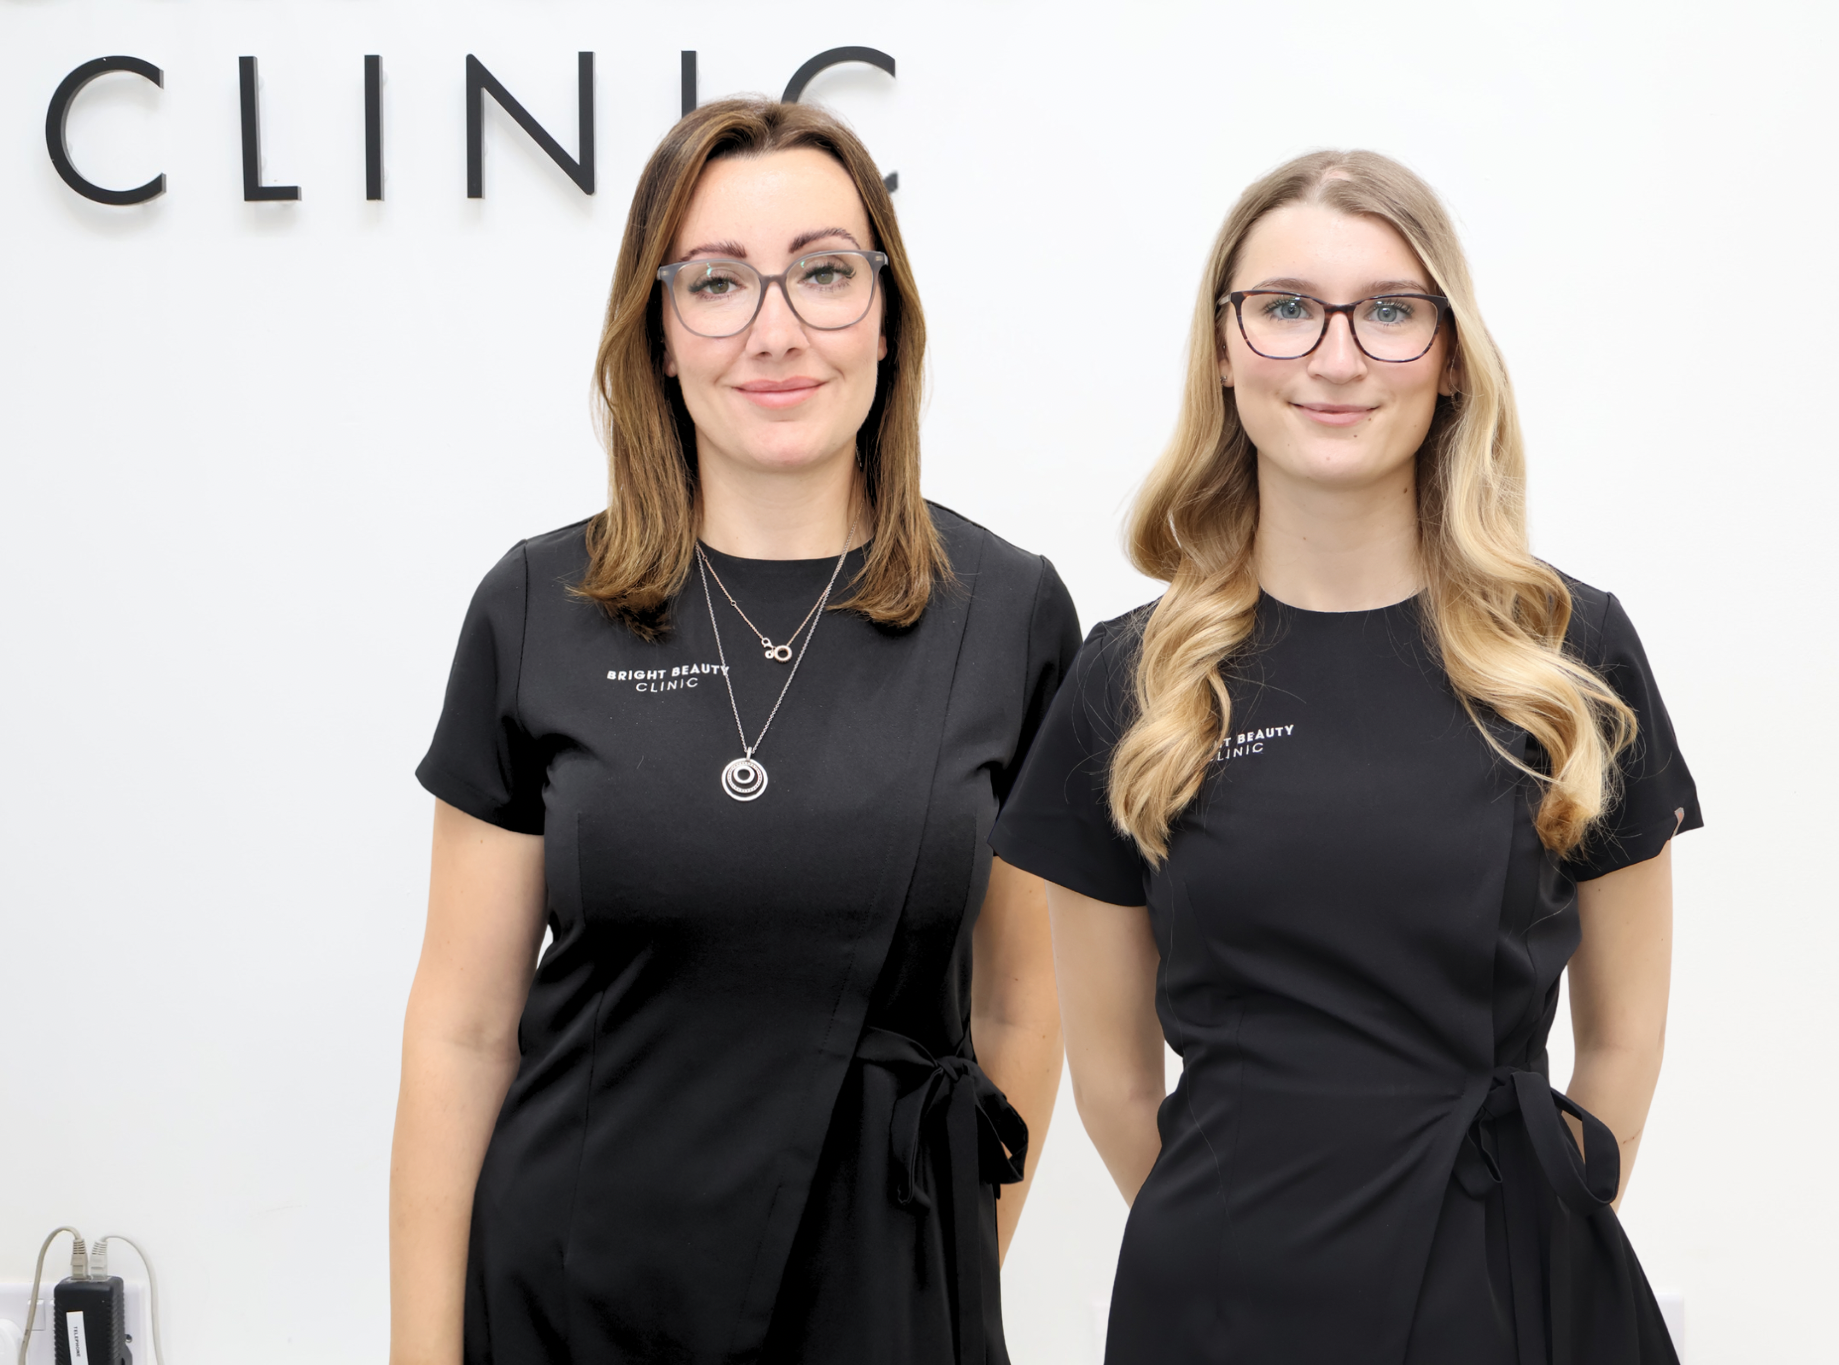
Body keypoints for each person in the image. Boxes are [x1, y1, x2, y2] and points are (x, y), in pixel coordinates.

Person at [390, 98, 1078, 1365]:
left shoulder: (1008, 614)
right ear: (657, 334)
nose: (775, 330)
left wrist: (944, 1268)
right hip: (574, 1293)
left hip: (881, 1295)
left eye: (823, 273)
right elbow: (462, 1027)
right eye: (715, 283)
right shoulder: (536, 607)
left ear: (886, 314)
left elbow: (1025, 1010)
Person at [990, 150, 1700, 1365]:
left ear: (1448, 355)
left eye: (1387, 311)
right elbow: (1112, 1082)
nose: (1334, 358)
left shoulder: (1567, 652)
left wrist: (1537, 1239)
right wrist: (1239, 1255)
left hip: (1510, 1296)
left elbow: (1622, 1040)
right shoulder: (1129, 681)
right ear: (1223, 349)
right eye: (1284, 309)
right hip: (1218, 1303)